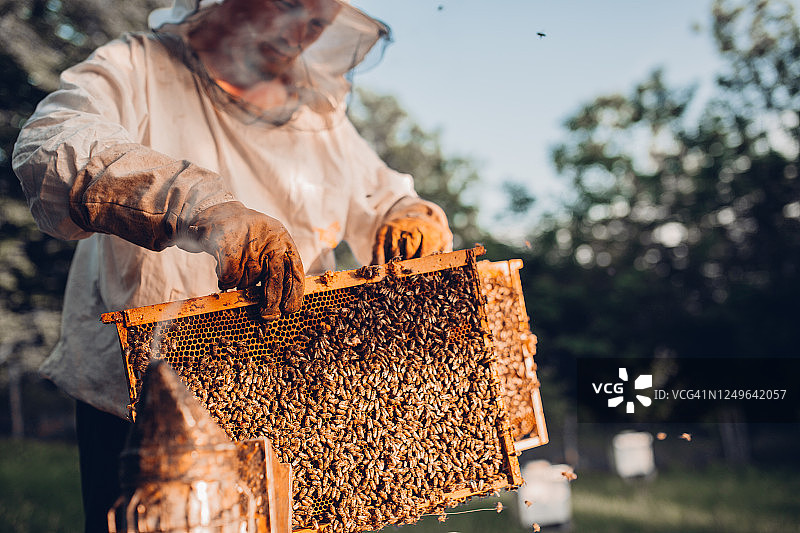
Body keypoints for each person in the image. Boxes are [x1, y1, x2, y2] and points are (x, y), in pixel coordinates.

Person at [12, 1, 452, 531]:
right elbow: (51, 146)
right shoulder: (138, 65)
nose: (299, 33)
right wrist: (197, 206)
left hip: (298, 396)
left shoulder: (317, 115)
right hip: (145, 402)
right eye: (288, 4)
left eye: (318, 21)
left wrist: (410, 214)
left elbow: (380, 195)